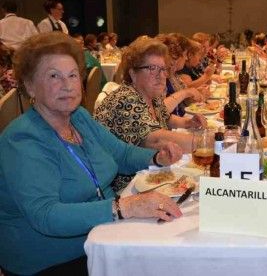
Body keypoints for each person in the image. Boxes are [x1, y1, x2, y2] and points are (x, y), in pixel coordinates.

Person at [0, 32, 184, 275]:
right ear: (30, 85)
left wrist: (157, 157)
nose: (67, 85)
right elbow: (46, 215)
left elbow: (122, 154)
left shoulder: (79, 118)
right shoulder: (23, 139)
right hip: (53, 259)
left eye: (73, 75)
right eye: (54, 76)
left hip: (104, 233)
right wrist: (123, 207)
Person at [94, 37, 206, 190]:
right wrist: (210, 142)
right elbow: (155, 140)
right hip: (124, 188)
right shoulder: (126, 99)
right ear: (133, 73)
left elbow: (164, 118)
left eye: (163, 69)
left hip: (149, 176)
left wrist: (188, 123)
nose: (161, 76)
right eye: (152, 68)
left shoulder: (150, 95)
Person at [162, 35, 206, 117]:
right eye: (185, 54)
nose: (186, 58)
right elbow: (160, 111)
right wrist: (186, 92)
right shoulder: (161, 78)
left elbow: (184, 101)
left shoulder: (173, 75)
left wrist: (194, 94)